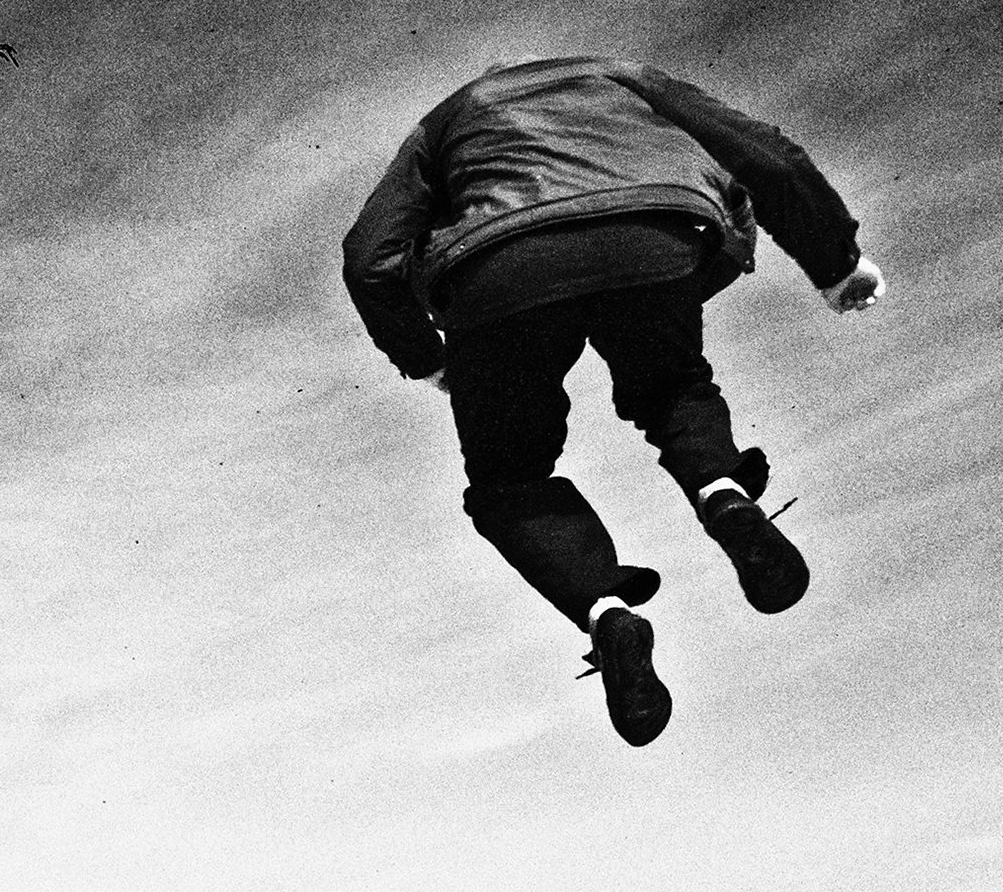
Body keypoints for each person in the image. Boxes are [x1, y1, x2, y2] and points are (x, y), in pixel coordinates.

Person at [341, 55, 885, 746]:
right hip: (650, 235)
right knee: (673, 388)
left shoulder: (446, 118)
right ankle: (724, 494)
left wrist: (427, 361)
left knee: (510, 479)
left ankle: (604, 612)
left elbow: (367, 253)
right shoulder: (619, 74)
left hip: (496, 272)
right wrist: (837, 265)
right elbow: (768, 155)